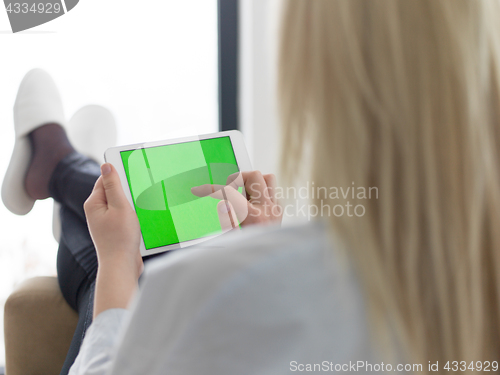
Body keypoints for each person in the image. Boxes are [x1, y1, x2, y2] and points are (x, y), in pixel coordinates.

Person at [4, 0, 500, 374]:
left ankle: (65, 165)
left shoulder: (208, 287)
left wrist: (116, 261)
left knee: (142, 253)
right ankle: (65, 164)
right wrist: (259, 248)